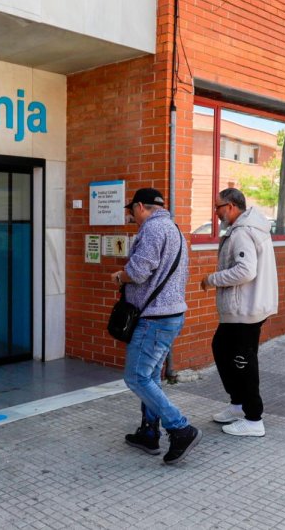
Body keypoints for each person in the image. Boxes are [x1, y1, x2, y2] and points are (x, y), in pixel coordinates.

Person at [109, 187, 196, 464]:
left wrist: (120, 276)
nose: (132, 216)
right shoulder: (175, 230)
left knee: (136, 377)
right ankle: (149, 432)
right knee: (151, 376)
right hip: (169, 316)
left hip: (155, 319)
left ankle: (180, 428)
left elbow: (138, 272)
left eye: (131, 211)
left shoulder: (152, 229)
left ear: (140, 207)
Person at [200, 188, 278, 438]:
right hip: (244, 308)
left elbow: (245, 271)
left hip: (245, 308)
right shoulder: (247, 228)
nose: (216, 213)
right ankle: (237, 405)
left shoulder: (243, 232)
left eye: (218, 207)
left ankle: (254, 418)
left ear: (231, 206)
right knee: (222, 349)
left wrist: (212, 279)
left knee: (242, 362)